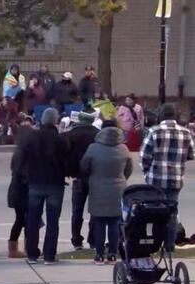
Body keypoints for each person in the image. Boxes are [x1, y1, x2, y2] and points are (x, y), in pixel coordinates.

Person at [140, 103, 195, 252]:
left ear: (161, 115)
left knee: (155, 211)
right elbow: (191, 154)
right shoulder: (186, 132)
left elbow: (144, 156)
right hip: (176, 178)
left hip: (156, 178)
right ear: (175, 116)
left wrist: (146, 171)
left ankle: (155, 243)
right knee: (172, 212)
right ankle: (169, 244)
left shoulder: (154, 131)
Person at [20, 108, 68, 265]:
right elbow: (67, 162)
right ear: (55, 120)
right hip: (55, 184)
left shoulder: (31, 138)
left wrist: (26, 176)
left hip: (35, 183)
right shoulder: (60, 140)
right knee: (53, 221)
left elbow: (23, 160)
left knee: (33, 219)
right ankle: (49, 255)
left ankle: (32, 253)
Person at [81, 122, 133, 265]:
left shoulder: (93, 148)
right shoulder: (124, 149)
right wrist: (121, 179)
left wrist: (90, 178)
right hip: (118, 188)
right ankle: (112, 254)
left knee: (99, 222)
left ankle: (98, 254)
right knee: (115, 223)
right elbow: (129, 169)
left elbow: (84, 167)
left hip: (97, 186)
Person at [63, 111, 100, 250]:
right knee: (95, 210)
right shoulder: (98, 134)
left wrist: (68, 171)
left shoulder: (71, 134)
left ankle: (76, 239)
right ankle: (93, 239)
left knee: (77, 210)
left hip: (78, 176)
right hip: (95, 175)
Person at [7, 123, 35, 258]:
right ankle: (26, 248)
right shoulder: (25, 153)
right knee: (25, 220)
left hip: (16, 190)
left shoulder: (18, 151)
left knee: (21, 219)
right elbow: (23, 173)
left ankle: (16, 247)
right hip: (23, 190)